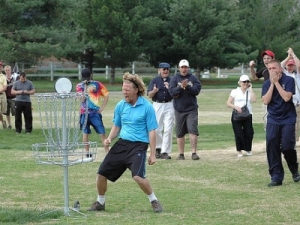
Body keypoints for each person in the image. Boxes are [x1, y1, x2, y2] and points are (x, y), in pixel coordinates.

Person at [87, 72, 163, 213]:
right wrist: (109, 138)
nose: (124, 93)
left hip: (138, 146)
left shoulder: (147, 107)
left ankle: (154, 200)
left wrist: (153, 154)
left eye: (127, 90)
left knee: (138, 177)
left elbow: (152, 131)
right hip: (122, 144)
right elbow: (117, 126)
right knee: (101, 173)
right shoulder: (121, 105)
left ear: (136, 90)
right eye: (123, 90)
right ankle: (100, 203)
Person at [262, 59, 300, 187]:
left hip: (288, 118)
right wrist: (272, 84)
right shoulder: (267, 83)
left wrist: (277, 83)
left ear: (280, 69)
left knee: (287, 147)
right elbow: (265, 101)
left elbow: (286, 97)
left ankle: (294, 169)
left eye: (273, 68)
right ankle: (276, 177)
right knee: (272, 145)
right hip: (273, 118)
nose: (271, 71)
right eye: (269, 69)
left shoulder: (289, 80)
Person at [169, 59, 201, 160]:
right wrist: (181, 87)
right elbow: (172, 92)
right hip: (179, 109)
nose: (184, 69)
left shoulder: (193, 78)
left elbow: (196, 90)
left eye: (186, 67)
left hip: (191, 109)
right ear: (179, 68)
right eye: (182, 67)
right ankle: (181, 154)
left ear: (188, 68)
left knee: (193, 130)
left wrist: (187, 87)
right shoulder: (174, 78)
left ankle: (194, 153)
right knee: (180, 132)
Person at [76, 68, 109, 156]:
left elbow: (106, 95)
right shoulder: (79, 86)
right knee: (85, 132)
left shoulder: (97, 84)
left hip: (95, 113)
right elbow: (82, 99)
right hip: (84, 112)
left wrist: (102, 107)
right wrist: (85, 88)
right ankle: (87, 152)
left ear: (90, 75)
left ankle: (107, 151)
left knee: (102, 132)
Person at [147, 62, 174, 159]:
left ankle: (165, 151)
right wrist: (154, 91)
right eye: (163, 69)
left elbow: (176, 94)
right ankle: (157, 148)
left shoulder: (172, 80)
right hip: (157, 104)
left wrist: (169, 88)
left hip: (169, 104)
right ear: (159, 70)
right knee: (157, 128)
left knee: (168, 128)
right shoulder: (155, 80)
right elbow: (149, 95)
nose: (165, 71)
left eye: (167, 69)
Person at [226, 75, 257, 157]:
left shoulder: (249, 92)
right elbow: (228, 103)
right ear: (240, 83)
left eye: (247, 82)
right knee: (238, 133)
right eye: (244, 82)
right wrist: (235, 107)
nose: (246, 83)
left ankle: (248, 149)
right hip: (237, 115)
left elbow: (254, 100)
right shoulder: (235, 91)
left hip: (248, 114)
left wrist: (251, 89)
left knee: (249, 132)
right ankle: (239, 151)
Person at [249, 50, 275, 130]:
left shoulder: (278, 69)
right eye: (264, 58)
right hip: (267, 99)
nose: (266, 60)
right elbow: (254, 78)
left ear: (273, 59)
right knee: (267, 120)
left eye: (268, 58)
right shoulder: (264, 70)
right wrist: (252, 68)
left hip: (277, 99)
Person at [281, 48, 300, 144]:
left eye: (292, 65)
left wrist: (293, 54)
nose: (290, 67)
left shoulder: (298, 75)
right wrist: (288, 57)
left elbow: (299, 65)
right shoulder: (285, 75)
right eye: (289, 65)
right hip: (291, 103)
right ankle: (294, 141)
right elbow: (280, 65)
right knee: (293, 123)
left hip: (299, 102)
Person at [0, 61, 8, 129]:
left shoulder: (3, 76)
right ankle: (3, 122)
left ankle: (3, 121)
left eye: (0, 66)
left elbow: (5, 87)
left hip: (2, 95)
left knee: (2, 111)